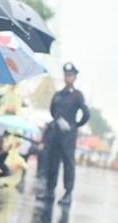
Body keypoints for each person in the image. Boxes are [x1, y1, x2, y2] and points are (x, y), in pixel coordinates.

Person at [38, 62, 90, 206]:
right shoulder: (58, 95)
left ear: (75, 77)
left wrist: (75, 126)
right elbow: (53, 111)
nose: (68, 78)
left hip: (68, 137)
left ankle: (68, 193)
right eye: (66, 75)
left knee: (68, 164)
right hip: (56, 135)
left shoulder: (77, 96)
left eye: (70, 75)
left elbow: (86, 114)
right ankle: (49, 191)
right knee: (52, 163)